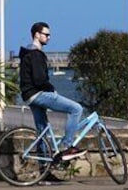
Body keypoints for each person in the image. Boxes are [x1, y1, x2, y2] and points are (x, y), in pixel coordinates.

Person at [19, 21, 85, 161]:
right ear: (37, 35)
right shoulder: (36, 54)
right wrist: (51, 89)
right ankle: (67, 147)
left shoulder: (27, 53)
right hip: (37, 94)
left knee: (42, 131)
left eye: (49, 35)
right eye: (46, 35)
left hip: (29, 95)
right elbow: (39, 79)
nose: (48, 38)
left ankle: (44, 169)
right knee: (76, 109)